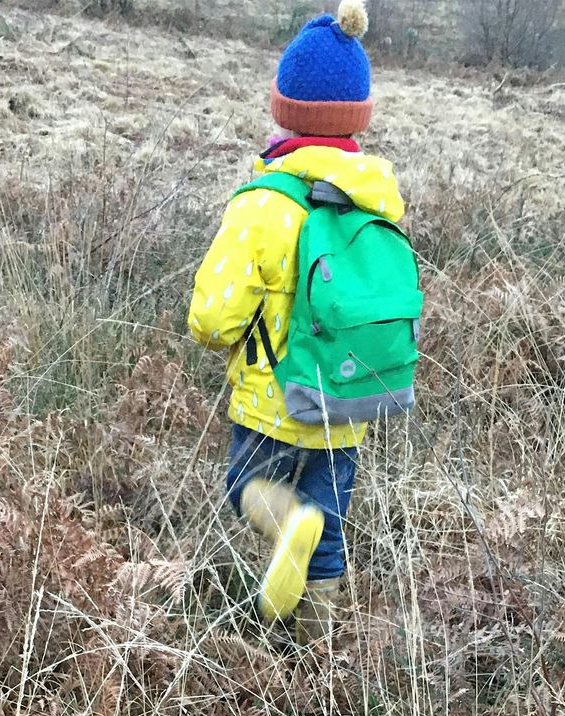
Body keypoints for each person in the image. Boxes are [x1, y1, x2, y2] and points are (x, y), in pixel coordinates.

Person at [188, 0, 406, 647]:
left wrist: (214, 338)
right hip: (348, 397)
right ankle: (317, 660)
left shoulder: (264, 203)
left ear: (284, 109)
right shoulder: (375, 199)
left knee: (245, 485)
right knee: (331, 528)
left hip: (273, 397)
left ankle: (286, 524)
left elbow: (213, 314)